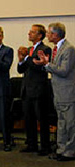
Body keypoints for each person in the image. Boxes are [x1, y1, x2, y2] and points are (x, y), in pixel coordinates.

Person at [34, 22, 75, 161]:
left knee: (70, 125)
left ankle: (69, 152)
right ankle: (61, 150)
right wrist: (45, 63)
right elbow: (55, 68)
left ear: (56, 34)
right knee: (61, 124)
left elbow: (63, 71)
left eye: (49, 33)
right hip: (58, 93)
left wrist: (47, 64)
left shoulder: (68, 49)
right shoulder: (57, 48)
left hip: (67, 93)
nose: (47, 35)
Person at [17, 24, 52, 156]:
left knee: (42, 119)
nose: (29, 34)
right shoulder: (29, 49)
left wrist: (26, 58)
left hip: (39, 90)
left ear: (40, 35)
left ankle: (45, 146)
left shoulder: (45, 49)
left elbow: (39, 66)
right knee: (29, 119)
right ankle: (31, 144)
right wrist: (21, 60)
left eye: (32, 32)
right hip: (26, 89)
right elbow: (21, 69)